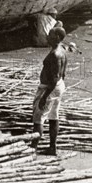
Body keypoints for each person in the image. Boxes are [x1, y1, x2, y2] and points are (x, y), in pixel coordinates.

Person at [30, 27, 67, 156]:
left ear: (57, 37)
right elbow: (63, 73)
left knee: (39, 118)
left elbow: (55, 77)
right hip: (59, 86)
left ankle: (33, 149)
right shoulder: (62, 50)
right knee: (53, 116)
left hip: (49, 88)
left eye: (50, 34)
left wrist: (45, 96)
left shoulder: (54, 54)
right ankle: (52, 147)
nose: (47, 35)